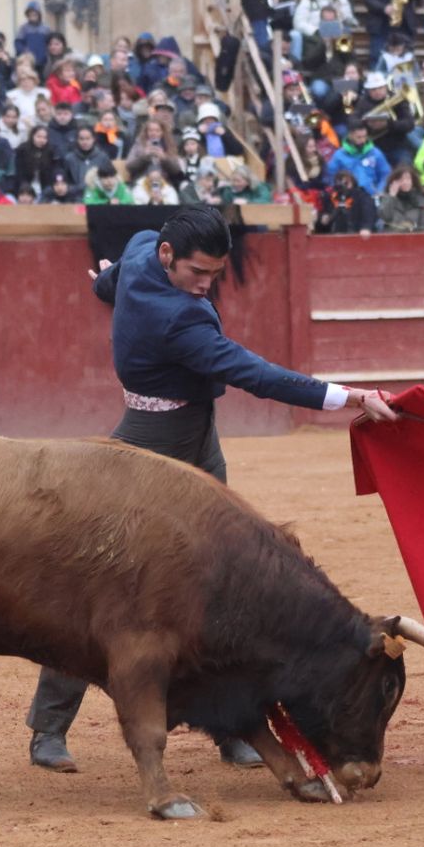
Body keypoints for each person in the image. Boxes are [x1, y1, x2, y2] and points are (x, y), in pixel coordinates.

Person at [26, 207, 398, 773]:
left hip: (198, 436)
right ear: (170, 258)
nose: (206, 286)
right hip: (151, 447)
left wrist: (107, 282)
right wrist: (347, 396)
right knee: (106, 587)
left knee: (222, 580)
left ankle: (232, 729)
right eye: (199, 274)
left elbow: (115, 276)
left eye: (215, 276)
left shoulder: (144, 246)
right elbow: (257, 375)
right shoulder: (178, 321)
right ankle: (48, 727)